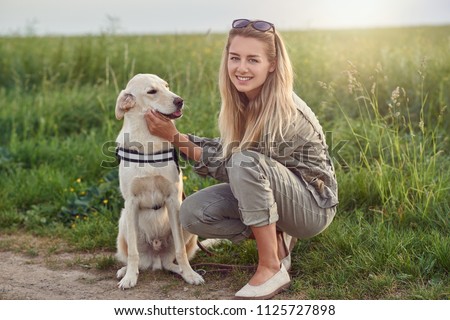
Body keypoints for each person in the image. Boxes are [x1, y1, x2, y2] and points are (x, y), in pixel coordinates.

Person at [145, 19, 338, 299]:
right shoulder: (244, 99)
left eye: (252, 60)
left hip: (311, 206)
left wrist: (177, 139)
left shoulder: (283, 112)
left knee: (245, 163)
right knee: (192, 213)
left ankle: (271, 266)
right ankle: (278, 240)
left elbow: (237, 166)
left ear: (271, 64)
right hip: (272, 190)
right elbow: (229, 151)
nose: (241, 68)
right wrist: (174, 133)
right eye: (234, 58)